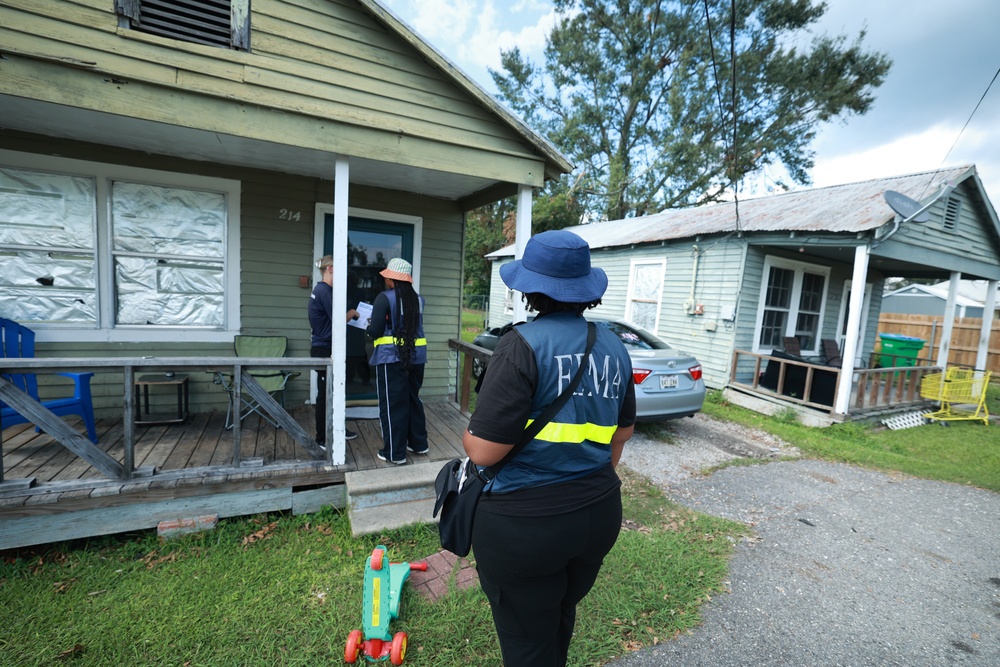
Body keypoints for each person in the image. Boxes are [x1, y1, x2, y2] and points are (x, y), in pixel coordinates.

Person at [462, 230, 636, 667]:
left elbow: (482, 452)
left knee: (527, 645)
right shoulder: (614, 345)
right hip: (597, 512)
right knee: (558, 615)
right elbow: (621, 435)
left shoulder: (520, 345)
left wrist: (468, 437)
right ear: (585, 291)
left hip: (526, 528)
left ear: (530, 289)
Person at [366, 258, 428, 464]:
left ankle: (394, 453)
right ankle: (419, 444)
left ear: (393, 279)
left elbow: (375, 331)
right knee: (412, 400)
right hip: (417, 358)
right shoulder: (418, 299)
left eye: (387, 277)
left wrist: (369, 327)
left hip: (391, 357)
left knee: (393, 405)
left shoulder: (384, 298)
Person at [308, 255, 359, 445]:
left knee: (335, 392)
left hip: (327, 348)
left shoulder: (323, 290)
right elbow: (338, 320)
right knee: (324, 395)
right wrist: (352, 313)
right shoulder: (324, 291)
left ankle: (338, 428)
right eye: (340, 268)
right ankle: (321, 438)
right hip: (323, 350)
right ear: (329, 269)